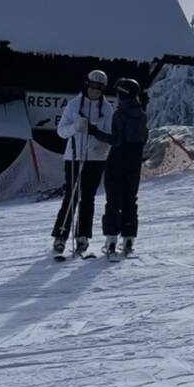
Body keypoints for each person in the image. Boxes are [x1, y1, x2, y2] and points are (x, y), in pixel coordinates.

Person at [53, 70, 114, 258]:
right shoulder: (73, 105)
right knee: (71, 196)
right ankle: (61, 235)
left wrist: (99, 142)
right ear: (87, 84)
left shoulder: (107, 109)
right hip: (74, 157)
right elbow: (61, 131)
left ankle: (83, 235)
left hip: (95, 159)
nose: (95, 90)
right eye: (93, 86)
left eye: (100, 87)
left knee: (88, 198)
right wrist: (75, 127)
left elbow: (110, 135)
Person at [103, 77, 148, 256]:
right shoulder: (142, 114)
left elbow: (116, 139)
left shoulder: (120, 114)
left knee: (113, 199)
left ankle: (111, 239)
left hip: (118, 159)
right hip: (134, 160)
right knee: (130, 199)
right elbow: (144, 138)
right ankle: (128, 238)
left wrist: (96, 132)